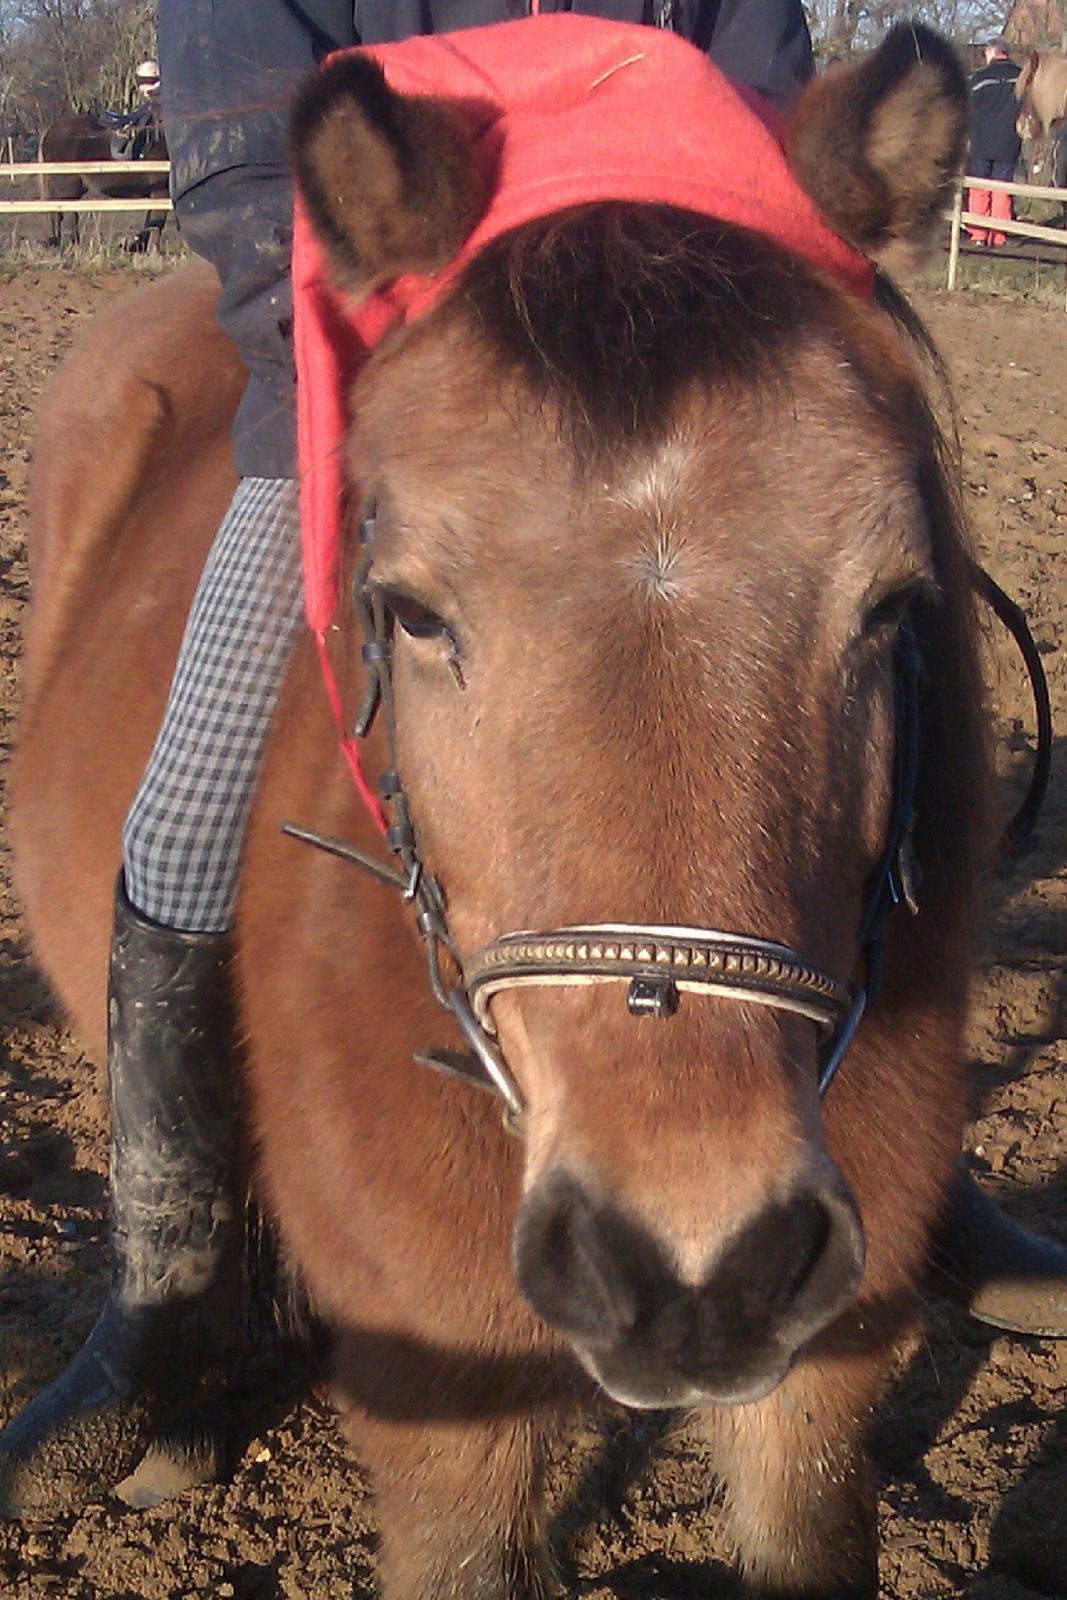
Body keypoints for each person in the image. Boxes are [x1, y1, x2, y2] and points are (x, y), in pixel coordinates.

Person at [1, 0, 1065, 1520]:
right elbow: (249, 172)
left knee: (889, 654)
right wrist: (404, 328)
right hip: (394, 345)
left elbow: (759, 118)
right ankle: (165, 1306)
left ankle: (910, 1180)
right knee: (178, 836)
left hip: (703, 346)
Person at [966, 38, 1021, 247]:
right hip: (1009, 140)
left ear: (992, 53)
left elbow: (967, 108)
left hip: (980, 140)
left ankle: (978, 234)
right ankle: (999, 236)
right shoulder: (1022, 76)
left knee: (979, 187)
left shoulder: (979, 79)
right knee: (1001, 188)